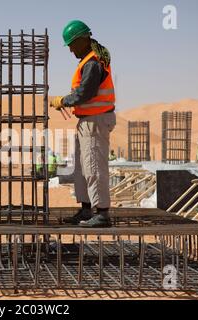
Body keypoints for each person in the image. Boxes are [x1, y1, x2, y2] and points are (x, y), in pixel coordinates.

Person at [50, 20, 116, 228]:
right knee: (82, 167)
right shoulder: (88, 60)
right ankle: (87, 209)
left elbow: (85, 93)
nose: (70, 49)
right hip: (87, 121)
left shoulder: (93, 62)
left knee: (94, 166)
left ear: (83, 40)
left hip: (95, 121)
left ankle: (102, 213)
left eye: (71, 44)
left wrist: (63, 100)